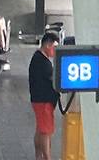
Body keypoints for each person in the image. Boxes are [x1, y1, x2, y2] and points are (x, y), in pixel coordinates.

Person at [29, 32, 60, 160]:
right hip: (44, 102)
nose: (55, 51)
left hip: (37, 99)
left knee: (40, 129)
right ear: (47, 44)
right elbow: (52, 80)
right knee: (45, 132)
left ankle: (38, 156)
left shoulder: (37, 58)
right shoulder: (44, 63)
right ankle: (47, 157)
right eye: (54, 47)